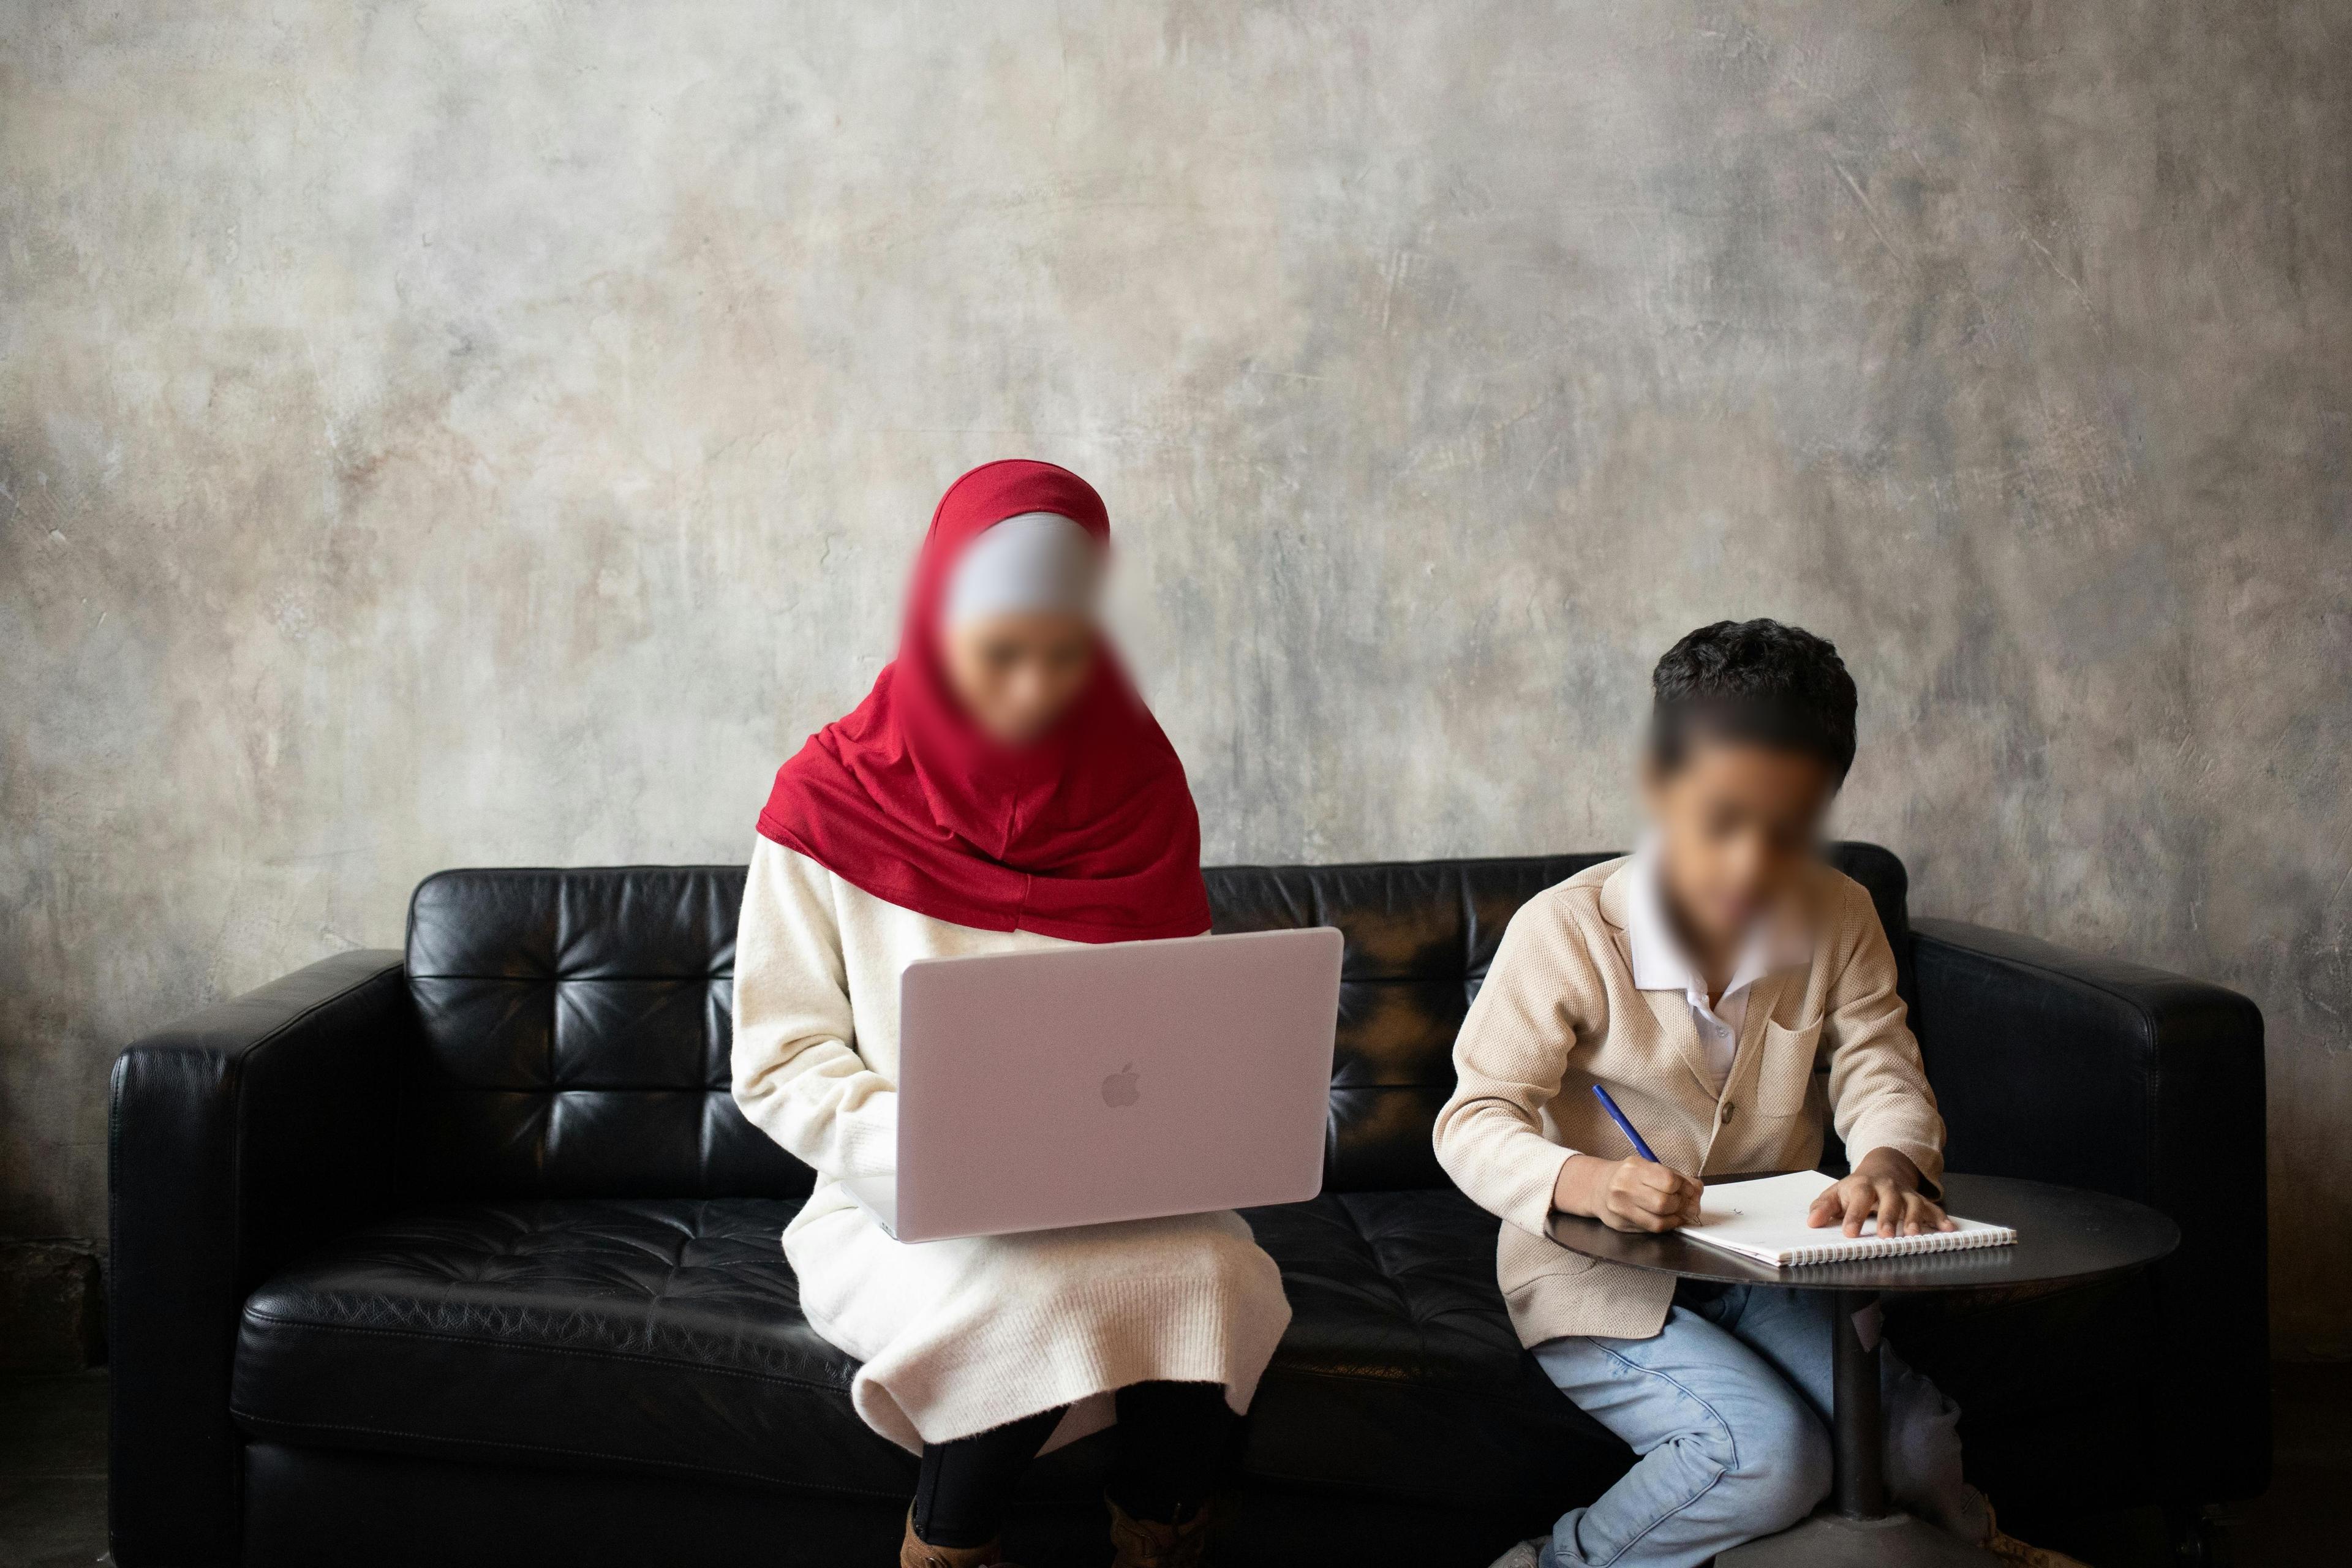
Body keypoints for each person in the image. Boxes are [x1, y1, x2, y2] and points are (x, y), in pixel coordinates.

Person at [1434, 620, 2086, 1568]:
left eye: (1786, 835)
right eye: (1721, 822)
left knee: (1912, 1442)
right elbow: (1472, 1119)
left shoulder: (1840, 913)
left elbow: (1879, 1066)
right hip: (1595, 1278)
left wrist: (1890, 1161)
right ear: (1660, 787)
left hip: (1770, 1267)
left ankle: (1981, 1547)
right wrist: (1582, 1180)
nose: (1750, 865)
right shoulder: (1567, 932)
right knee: (1765, 1457)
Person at [732, 461, 1289, 1568]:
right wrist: (941, 1148)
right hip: (899, 1202)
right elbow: (779, 1059)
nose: (1034, 689)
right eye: (1000, 655)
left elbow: (1174, 1028)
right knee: (1023, 1292)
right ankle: (946, 1549)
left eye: (1063, 655)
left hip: (1114, 1195)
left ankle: (1158, 1539)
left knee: (1220, 1275)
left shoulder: (1140, 780)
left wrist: (1183, 1120)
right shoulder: (827, 794)